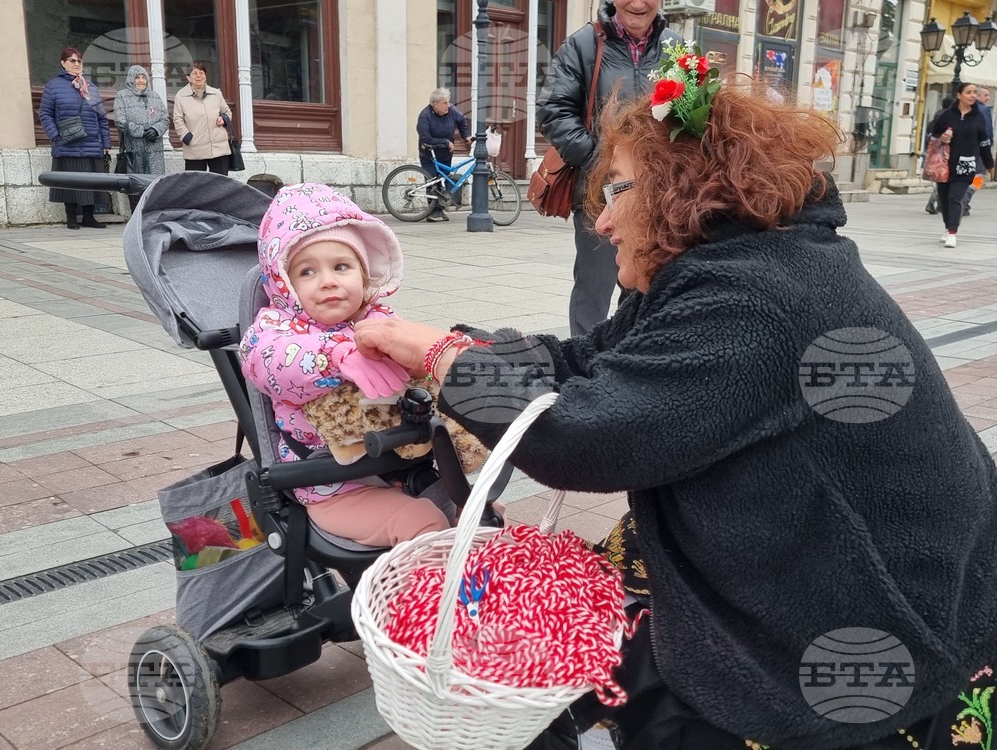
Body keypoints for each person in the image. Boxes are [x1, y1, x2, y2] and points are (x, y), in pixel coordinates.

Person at [354, 44, 997, 750]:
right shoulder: (719, 264)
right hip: (817, 564)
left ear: (681, 189)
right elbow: (588, 361)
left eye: (615, 191)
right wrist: (453, 345)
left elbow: (581, 437)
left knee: (648, 685)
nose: (601, 222)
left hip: (875, 625)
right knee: (595, 614)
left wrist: (445, 360)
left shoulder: (753, 296)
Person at [238, 183, 450, 547]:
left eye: (341, 266)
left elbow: (418, 362)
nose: (328, 282)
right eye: (307, 272)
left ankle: (494, 580)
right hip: (329, 483)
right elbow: (269, 363)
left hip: (399, 466)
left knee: (481, 510)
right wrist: (335, 357)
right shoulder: (276, 329)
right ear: (285, 284)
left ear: (363, 274)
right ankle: (432, 586)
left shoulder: (378, 319)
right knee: (423, 523)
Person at [537, 0, 680, 336]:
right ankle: (586, 360)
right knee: (594, 288)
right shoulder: (583, 44)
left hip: (658, 196)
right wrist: (602, 162)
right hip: (599, 193)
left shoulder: (676, 48)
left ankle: (633, 355)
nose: (638, 3)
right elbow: (554, 111)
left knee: (645, 288)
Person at [38, 47, 111, 230]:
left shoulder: (90, 87)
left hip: (91, 142)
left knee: (91, 182)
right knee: (68, 182)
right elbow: (45, 114)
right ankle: (71, 217)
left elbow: (101, 117)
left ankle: (88, 217)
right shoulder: (53, 86)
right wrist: (55, 135)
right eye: (72, 60)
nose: (77, 64)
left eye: (79, 60)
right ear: (63, 63)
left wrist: (105, 142)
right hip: (67, 142)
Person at [930, 82, 993, 248]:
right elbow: (933, 134)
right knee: (944, 199)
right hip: (944, 164)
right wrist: (942, 137)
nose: (972, 95)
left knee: (955, 197)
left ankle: (952, 233)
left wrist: (989, 164)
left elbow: (984, 142)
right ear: (959, 95)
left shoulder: (979, 117)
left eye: (974, 92)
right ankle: (947, 227)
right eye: (968, 92)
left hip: (966, 164)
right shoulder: (946, 115)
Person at [112, 65, 168, 213]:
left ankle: (153, 217)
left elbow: (165, 119)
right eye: (137, 77)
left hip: (154, 151)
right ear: (131, 79)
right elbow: (120, 122)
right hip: (133, 150)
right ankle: (136, 218)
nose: (141, 80)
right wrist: (141, 131)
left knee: (154, 187)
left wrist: (155, 130)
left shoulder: (155, 96)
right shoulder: (122, 96)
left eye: (144, 77)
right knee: (135, 187)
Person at [416, 87, 471, 222]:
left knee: (444, 179)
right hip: (429, 154)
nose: (448, 105)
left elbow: (462, 120)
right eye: (445, 103)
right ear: (435, 104)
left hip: (445, 154)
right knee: (432, 181)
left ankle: (440, 209)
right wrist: (445, 142)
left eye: (448, 102)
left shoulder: (451, 111)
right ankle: (433, 212)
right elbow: (425, 138)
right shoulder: (425, 116)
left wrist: (466, 136)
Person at [172, 61, 233, 175]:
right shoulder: (181, 96)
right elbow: (177, 119)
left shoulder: (216, 93)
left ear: (205, 76)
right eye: (195, 73)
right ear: (188, 78)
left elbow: (227, 112)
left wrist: (224, 119)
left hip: (218, 147)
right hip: (195, 147)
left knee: (220, 182)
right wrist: (186, 136)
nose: (198, 76)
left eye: (201, 73)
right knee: (195, 183)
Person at [960, 86, 994, 216]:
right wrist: (988, 147)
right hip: (978, 149)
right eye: (986, 95)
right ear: (977, 96)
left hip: (963, 148)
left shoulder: (963, 107)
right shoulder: (983, 110)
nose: (988, 98)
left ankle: (960, 201)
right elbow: (987, 132)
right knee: (979, 176)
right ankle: (965, 199)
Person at [923, 96, 953, 215]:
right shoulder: (949, 118)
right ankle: (932, 202)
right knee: (943, 178)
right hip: (944, 151)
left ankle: (940, 204)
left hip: (933, 151)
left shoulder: (934, 120)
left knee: (941, 178)